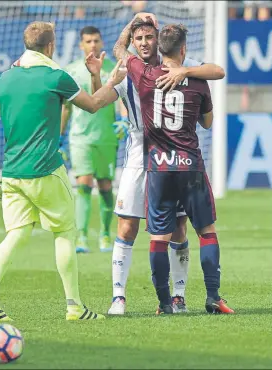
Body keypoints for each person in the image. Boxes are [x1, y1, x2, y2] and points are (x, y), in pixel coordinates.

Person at [0, 21, 127, 322]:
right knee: (64, 233)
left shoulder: (4, 79)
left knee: (15, 234)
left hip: (13, 173)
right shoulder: (57, 76)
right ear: (50, 46)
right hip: (46, 170)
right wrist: (112, 81)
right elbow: (95, 104)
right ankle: (74, 306)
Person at [88, 13, 226, 314]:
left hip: (163, 161)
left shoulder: (175, 70)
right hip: (140, 159)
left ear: (159, 40)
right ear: (134, 43)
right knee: (126, 228)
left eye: (149, 37)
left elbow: (211, 71)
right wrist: (98, 77)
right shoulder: (128, 74)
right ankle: (119, 297)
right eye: (138, 38)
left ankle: (177, 296)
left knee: (178, 228)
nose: (144, 42)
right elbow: (97, 101)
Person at [61, 26, 126, 254]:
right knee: (84, 184)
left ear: (102, 43)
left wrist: (124, 120)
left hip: (106, 137)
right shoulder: (70, 71)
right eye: (88, 41)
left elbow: (122, 98)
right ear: (81, 45)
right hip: (80, 137)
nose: (92, 45)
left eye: (96, 41)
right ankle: (82, 237)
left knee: (106, 186)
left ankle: (106, 235)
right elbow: (65, 108)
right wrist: (59, 138)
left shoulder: (113, 69)